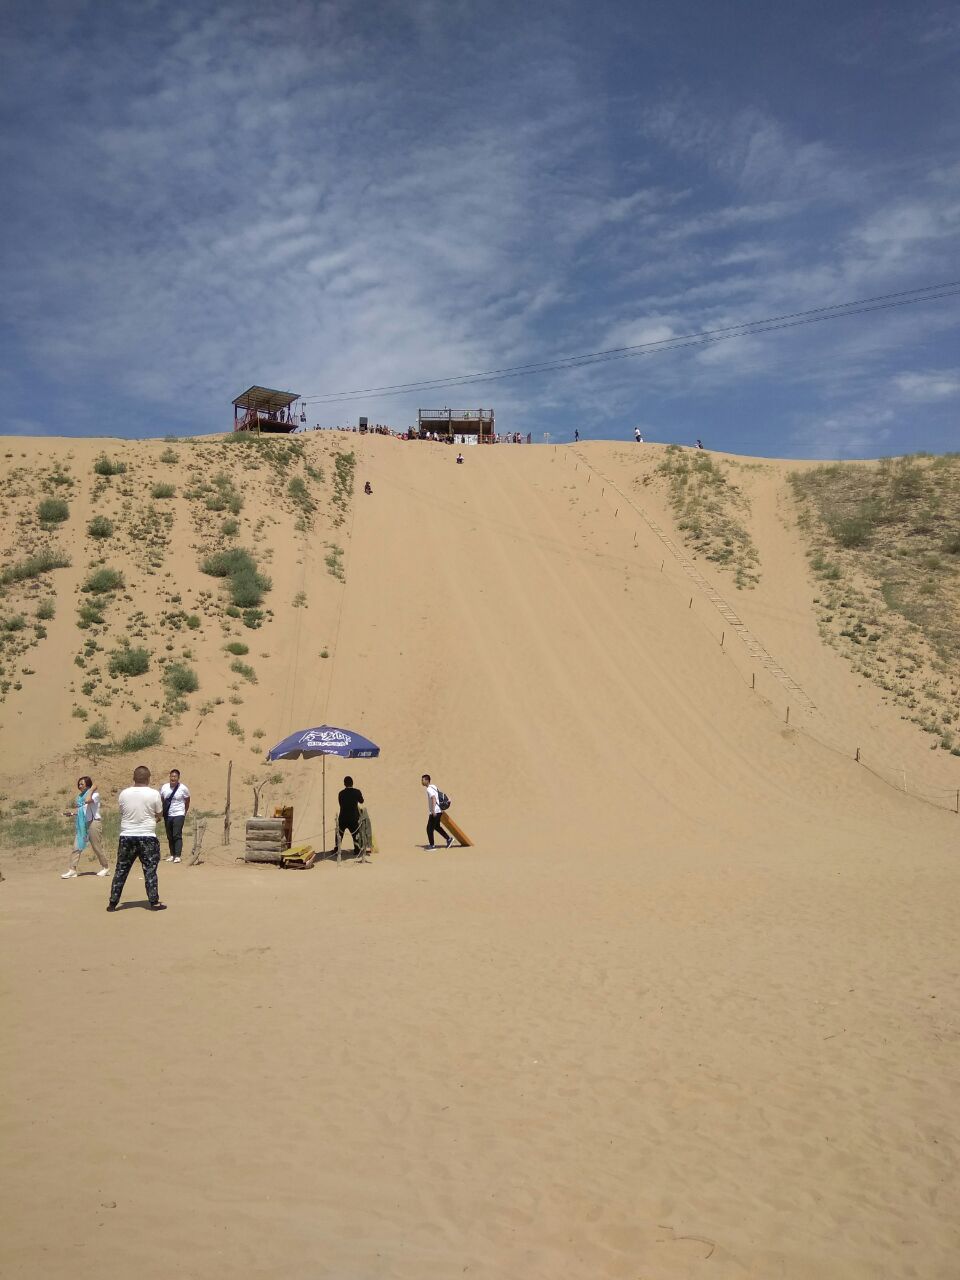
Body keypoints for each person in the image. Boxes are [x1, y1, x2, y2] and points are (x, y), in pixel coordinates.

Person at [107, 766, 166, 912]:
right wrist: (155, 819)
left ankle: (113, 902)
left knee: (121, 869)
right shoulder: (154, 794)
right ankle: (153, 901)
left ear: (134, 778)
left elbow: (123, 812)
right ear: (148, 778)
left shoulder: (124, 794)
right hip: (147, 836)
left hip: (127, 835)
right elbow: (159, 813)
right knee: (150, 870)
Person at [61, 775, 109, 878]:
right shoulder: (79, 797)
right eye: (79, 784)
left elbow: (87, 800)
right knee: (76, 846)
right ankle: (72, 869)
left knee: (96, 847)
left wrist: (92, 789)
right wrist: (74, 814)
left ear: (88, 784)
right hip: (83, 824)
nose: (79, 785)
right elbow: (83, 811)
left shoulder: (94, 795)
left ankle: (105, 867)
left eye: (82, 784)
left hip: (93, 823)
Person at [160, 768, 190, 863]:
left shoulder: (183, 788)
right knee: (169, 835)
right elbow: (162, 799)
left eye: (175, 776)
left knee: (176, 834)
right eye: (171, 776)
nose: (173, 778)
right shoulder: (164, 787)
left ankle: (177, 855)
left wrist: (184, 811)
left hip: (179, 813)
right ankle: (172, 854)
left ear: (178, 778)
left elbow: (187, 800)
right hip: (168, 814)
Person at [421, 774, 452, 848]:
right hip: (439, 810)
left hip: (435, 811)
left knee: (429, 829)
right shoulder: (433, 786)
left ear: (427, 780)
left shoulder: (428, 789)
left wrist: (433, 811)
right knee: (436, 827)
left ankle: (432, 845)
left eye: (423, 780)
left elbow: (434, 798)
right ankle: (449, 839)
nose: (421, 781)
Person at [336, 775, 365, 855]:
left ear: (344, 784)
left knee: (339, 834)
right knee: (356, 834)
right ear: (352, 783)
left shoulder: (341, 793)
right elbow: (362, 801)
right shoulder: (357, 792)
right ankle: (357, 849)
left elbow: (340, 803)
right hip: (353, 818)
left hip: (343, 817)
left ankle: (337, 849)